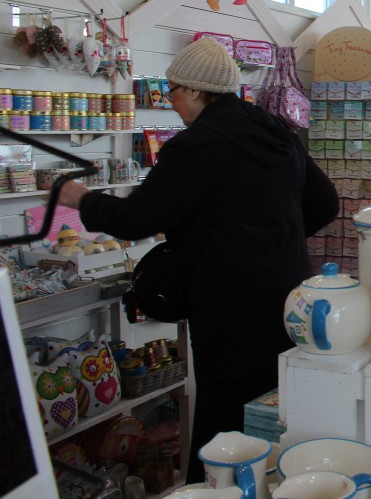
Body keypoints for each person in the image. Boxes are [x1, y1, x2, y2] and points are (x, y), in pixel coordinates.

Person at [57, 37, 340, 482]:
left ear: (193, 89)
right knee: (276, 410)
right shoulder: (275, 131)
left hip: (228, 308)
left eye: (171, 91)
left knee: (223, 419)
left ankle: (215, 491)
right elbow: (325, 204)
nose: (170, 102)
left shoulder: (198, 145)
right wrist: (270, 242)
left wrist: (82, 199)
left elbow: (137, 218)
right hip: (290, 302)